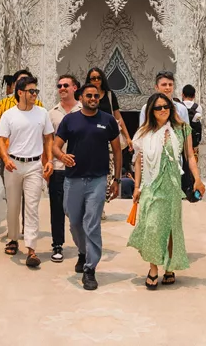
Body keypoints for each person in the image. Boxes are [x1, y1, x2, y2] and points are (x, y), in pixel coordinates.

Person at [128, 92, 205, 290]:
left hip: (171, 185)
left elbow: (189, 157)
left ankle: (169, 267)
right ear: (151, 111)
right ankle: (153, 268)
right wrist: (136, 187)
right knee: (152, 226)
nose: (163, 110)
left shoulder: (182, 130)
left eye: (166, 107)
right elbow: (139, 161)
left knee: (170, 228)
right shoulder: (144, 132)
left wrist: (197, 179)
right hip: (150, 185)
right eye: (158, 107)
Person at [52, 83, 123, 290]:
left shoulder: (107, 121)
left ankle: (90, 269)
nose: (93, 99)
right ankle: (82, 252)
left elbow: (117, 151)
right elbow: (55, 146)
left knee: (92, 222)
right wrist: (62, 156)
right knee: (74, 221)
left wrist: (116, 179)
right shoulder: (70, 120)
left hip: (97, 180)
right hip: (73, 179)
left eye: (96, 96)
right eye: (89, 95)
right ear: (81, 97)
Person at [0, 76, 54, 269]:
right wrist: (5, 160)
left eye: (36, 91)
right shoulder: (9, 115)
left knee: (32, 207)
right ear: (20, 93)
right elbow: (1, 140)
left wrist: (49, 160)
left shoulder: (42, 113)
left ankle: (31, 248)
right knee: (13, 206)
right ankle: (13, 238)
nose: (35, 94)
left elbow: (48, 138)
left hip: (34, 165)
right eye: (31, 91)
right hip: (13, 164)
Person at [85, 67, 131, 220]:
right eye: (93, 78)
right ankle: (89, 207)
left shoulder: (110, 96)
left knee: (105, 176)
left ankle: (100, 207)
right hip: (89, 140)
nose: (96, 81)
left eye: (98, 78)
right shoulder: (85, 95)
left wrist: (127, 136)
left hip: (107, 141)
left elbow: (118, 117)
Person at [47, 74, 81, 263]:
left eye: (66, 85)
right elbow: (48, 142)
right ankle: (57, 244)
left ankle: (82, 245)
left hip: (80, 168)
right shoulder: (51, 113)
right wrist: (49, 162)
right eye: (59, 85)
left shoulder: (84, 110)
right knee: (57, 208)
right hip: (59, 167)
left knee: (79, 209)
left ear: (75, 88)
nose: (62, 88)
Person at [181, 84, 203, 155]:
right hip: (194, 140)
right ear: (194, 96)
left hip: (181, 138)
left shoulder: (179, 106)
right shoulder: (198, 107)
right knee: (194, 159)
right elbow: (198, 123)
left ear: (182, 95)